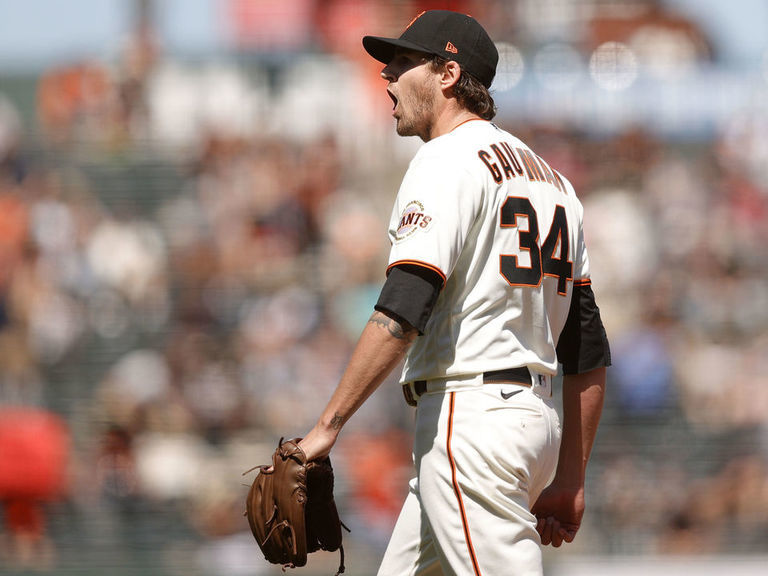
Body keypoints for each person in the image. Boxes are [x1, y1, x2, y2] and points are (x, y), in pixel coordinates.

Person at [299, 10, 610, 575]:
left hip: (471, 420)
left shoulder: (445, 159)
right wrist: (569, 475)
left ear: (447, 74)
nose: (387, 76)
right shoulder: (555, 182)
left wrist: (328, 425)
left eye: (401, 62)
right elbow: (586, 349)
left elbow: (403, 309)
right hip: (529, 424)